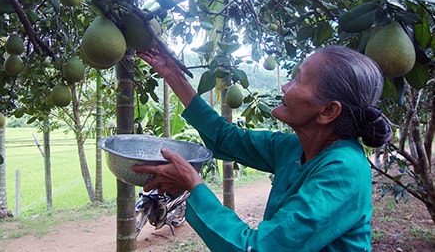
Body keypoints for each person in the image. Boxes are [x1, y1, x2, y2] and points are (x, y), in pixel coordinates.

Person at [132, 44, 392, 252]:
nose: (285, 87)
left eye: (298, 80)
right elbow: (224, 138)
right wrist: (173, 74)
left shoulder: (344, 170)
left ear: (327, 111)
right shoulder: (293, 148)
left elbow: (261, 247)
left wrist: (193, 187)